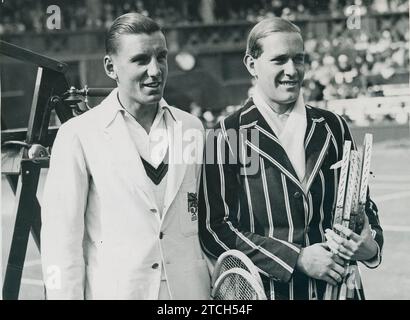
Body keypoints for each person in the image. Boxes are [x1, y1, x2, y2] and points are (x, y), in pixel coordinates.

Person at [198, 17, 383, 300]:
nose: (292, 70)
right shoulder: (223, 134)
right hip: (272, 292)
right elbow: (214, 228)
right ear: (251, 64)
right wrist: (295, 259)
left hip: (341, 292)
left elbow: (362, 203)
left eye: (299, 59)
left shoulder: (335, 126)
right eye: (279, 60)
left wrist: (371, 247)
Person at [41, 13, 210, 300]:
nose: (155, 71)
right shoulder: (77, 134)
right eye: (141, 60)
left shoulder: (191, 127)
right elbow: (60, 242)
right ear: (111, 67)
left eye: (162, 57)